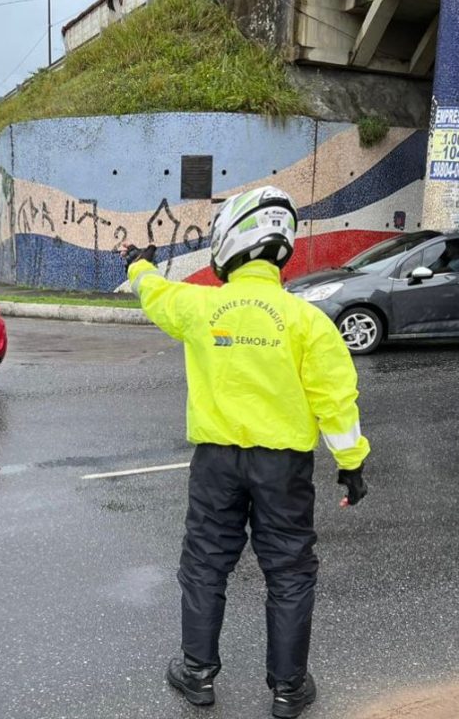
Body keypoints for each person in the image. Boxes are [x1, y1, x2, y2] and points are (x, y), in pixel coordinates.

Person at [122, 186, 369, 718]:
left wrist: (140, 267)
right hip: (284, 468)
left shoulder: (200, 306)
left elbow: (156, 295)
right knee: (289, 571)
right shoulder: (308, 321)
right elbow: (336, 399)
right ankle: (288, 690)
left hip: (216, 462)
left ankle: (197, 674)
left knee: (206, 563)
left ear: (230, 243)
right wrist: (351, 465)